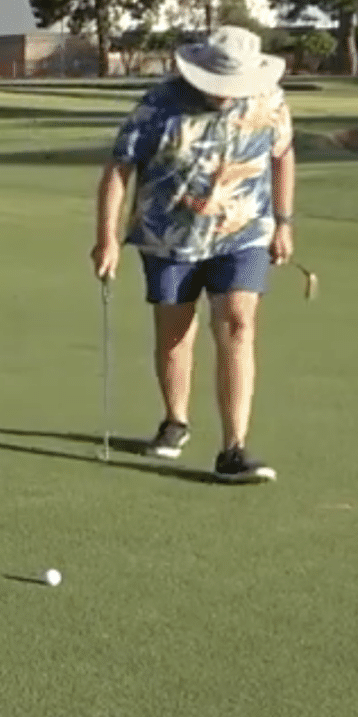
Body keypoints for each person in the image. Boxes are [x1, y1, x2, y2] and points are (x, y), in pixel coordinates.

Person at [91, 25, 298, 484]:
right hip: (169, 235)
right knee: (174, 334)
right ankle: (175, 420)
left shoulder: (269, 101)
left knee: (238, 324)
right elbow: (119, 166)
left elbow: (282, 154)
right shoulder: (160, 104)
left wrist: (283, 222)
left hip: (243, 232)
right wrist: (107, 238)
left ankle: (234, 448)